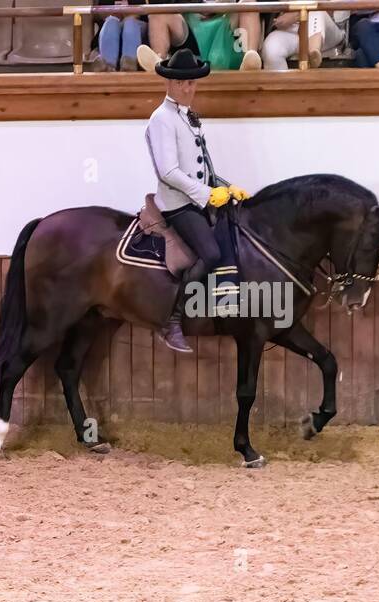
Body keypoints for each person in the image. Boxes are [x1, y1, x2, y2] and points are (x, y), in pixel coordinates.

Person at [144, 48, 250, 352]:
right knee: (211, 253)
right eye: (183, 84)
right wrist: (206, 195)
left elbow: (202, 165)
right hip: (178, 204)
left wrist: (227, 188)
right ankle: (172, 321)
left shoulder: (188, 117)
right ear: (170, 84)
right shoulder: (161, 119)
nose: (189, 88)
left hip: (198, 199)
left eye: (192, 83)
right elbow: (168, 172)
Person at [138, 1, 262, 72]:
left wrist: (217, 7)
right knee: (159, 11)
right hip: (191, 17)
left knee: (248, 3)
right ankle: (159, 65)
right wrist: (196, 4)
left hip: (225, 17)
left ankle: (249, 61)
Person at [263, 9, 348, 70]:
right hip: (292, 28)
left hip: (327, 27)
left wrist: (298, 14)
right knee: (271, 48)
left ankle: (313, 52)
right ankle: (282, 92)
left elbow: (332, 10)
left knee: (315, 9)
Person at [94, 1, 147, 72]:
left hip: (136, 22)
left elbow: (147, 10)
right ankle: (107, 65)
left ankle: (129, 62)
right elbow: (98, 14)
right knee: (111, 22)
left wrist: (130, 11)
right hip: (114, 21)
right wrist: (112, 12)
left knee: (130, 24)